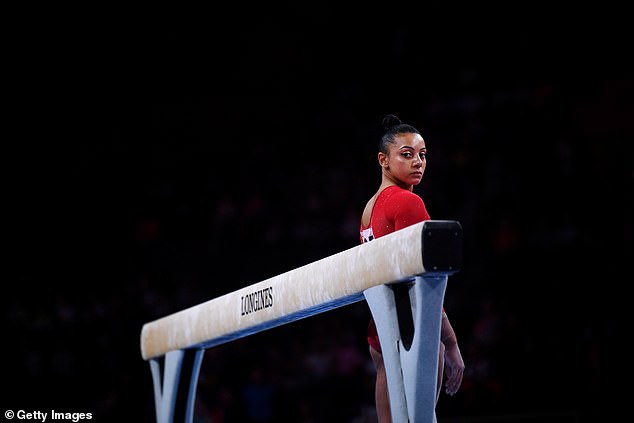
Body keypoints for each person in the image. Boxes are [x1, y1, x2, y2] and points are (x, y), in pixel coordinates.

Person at [360, 114, 465, 422]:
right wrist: (452, 343)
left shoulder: (369, 208)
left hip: (381, 330)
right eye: (406, 155)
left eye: (422, 154)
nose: (418, 161)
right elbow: (424, 282)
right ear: (384, 160)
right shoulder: (406, 202)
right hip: (412, 324)